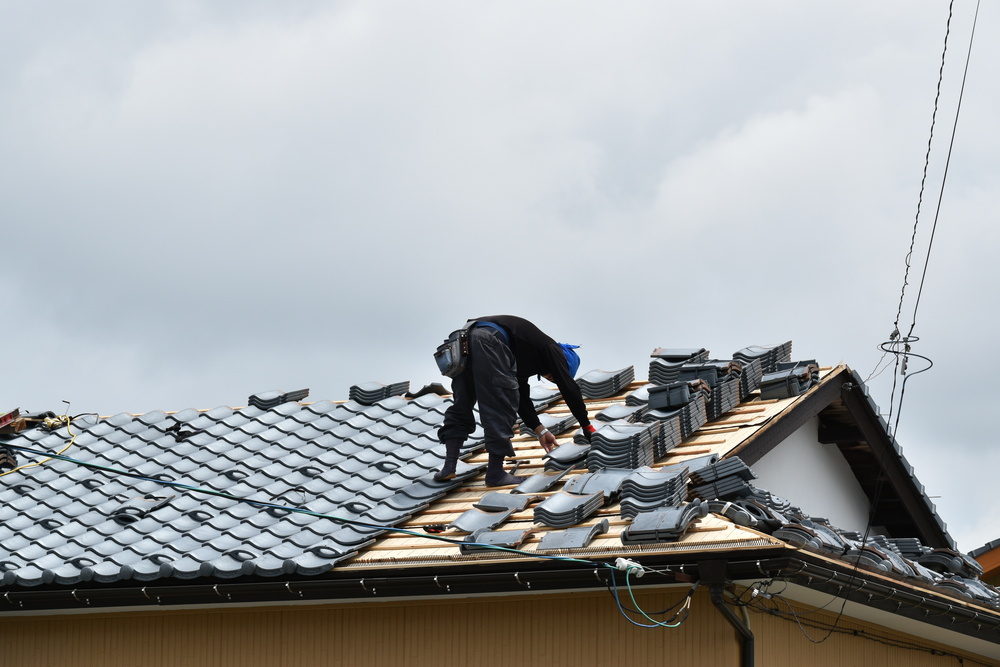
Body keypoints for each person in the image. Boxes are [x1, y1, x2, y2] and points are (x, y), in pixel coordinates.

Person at [435, 315, 595, 486]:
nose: (551, 379)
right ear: (562, 364)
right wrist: (587, 426)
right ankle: (495, 473)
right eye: (556, 377)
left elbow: (521, 397)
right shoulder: (551, 348)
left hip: (463, 343)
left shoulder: (524, 356)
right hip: (487, 341)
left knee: (462, 403)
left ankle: (448, 467)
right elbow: (569, 389)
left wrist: (539, 430)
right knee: (501, 404)